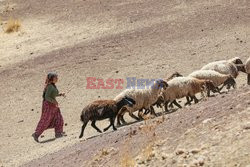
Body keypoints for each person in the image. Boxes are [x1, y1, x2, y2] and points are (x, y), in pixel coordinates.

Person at [32, 72, 66, 142]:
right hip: (48, 105)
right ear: (52, 79)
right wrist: (55, 102)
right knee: (46, 120)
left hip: (53, 105)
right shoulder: (50, 86)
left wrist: (60, 94)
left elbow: (52, 95)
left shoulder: (52, 85)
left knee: (58, 118)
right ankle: (36, 134)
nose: (57, 79)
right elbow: (47, 97)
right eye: (55, 78)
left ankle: (58, 133)